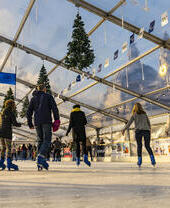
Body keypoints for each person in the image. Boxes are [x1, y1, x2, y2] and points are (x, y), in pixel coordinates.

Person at [27, 84, 60, 170]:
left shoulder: (33, 98)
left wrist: (30, 123)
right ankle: (41, 157)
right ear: (44, 89)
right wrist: (57, 119)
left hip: (37, 122)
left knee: (40, 140)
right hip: (46, 121)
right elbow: (54, 108)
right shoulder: (48, 96)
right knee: (47, 140)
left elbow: (29, 111)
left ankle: (40, 162)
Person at [122, 102, 156, 167]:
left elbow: (129, 123)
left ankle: (139, 162)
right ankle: (153, 160)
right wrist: (149, 130)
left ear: (135, 108)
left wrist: (124, 129)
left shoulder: (134, 115)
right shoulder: (145, 114)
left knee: (139, 146)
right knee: (147, 146)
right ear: (141, 107)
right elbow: (148, 123)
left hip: (138, 132)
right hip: (146, 131)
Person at [0, 99, 21, 170]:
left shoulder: (2, 112)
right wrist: (19, 124)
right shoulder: (11, 112)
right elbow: (14, 123)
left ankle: (1, 162)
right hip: (7, 133)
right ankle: (9, 163)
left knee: (3, 148)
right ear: (12, 105)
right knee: (8, 148)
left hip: (1, 132)